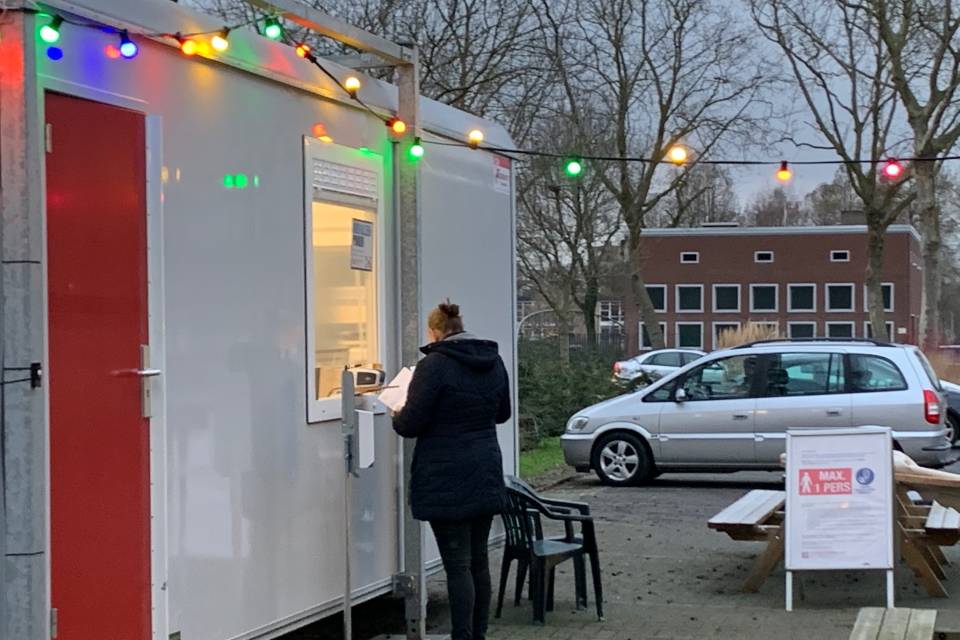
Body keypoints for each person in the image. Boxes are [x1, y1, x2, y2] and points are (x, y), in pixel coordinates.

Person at [392, 302, 511, 640]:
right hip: (485, 469)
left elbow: (410, 425)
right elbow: (503, 413)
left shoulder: (434, 366)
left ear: (435, 332)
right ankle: (478, 634)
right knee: (479, 561)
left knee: (457, 565)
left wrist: (397, 412)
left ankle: (462, 636)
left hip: (446, 476)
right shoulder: (493, 361)